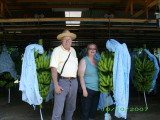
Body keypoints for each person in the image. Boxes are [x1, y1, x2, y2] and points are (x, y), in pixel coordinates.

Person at [50, 30, 78, 120]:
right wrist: (56, 85)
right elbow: (53, 68)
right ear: (61, 41)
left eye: (69, 39)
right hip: (62, 81)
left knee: (71, 107)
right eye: (65, 39)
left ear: (72, 41)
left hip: (74, 81)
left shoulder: (73, 50)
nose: (67, 41)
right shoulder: (57, 50)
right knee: (58, 109)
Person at [78, 43, 100, 120]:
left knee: (93, 112)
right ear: (87, 50)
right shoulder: (84, 60)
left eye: (94, 49)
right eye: (90, 48)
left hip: (97, 90)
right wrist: (84, 90)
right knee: (85, 112)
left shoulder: (97, 61)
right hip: (87, 89)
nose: (92, 50)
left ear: (96, 51)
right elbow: (81, 75)